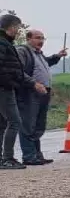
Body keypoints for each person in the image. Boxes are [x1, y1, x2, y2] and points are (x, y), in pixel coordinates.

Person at [0, 13, 48, 170]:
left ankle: (4, 159)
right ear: (11, 27)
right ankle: (7, 159)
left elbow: (16, 70)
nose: (18, 31)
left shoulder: (6, 43)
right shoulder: (3, 44)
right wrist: (30, 83)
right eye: (18, 28)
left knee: (3, 124)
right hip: (4, 89)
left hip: (7, 87)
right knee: (15, 122)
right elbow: (16, 71)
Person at [16, 29, 67, 165]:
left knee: (38, 125)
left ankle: (37, 155)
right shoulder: (23, 52)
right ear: (28, 39)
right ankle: (29, 156)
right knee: (28, 124)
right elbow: (17, 70)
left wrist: (58, 56)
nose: (41, 41)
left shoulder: (38, 54)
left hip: (43, 93)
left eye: (43, 38)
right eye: (38, 38)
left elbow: (46, 62)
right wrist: (34, 83)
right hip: (29, 92)